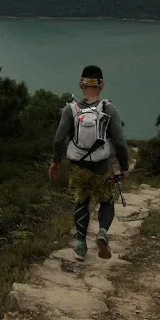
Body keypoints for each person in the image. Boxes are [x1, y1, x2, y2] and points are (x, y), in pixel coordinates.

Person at [48, 65, 129, 261]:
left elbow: (58, 140)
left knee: (81, 202)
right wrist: (124, 166)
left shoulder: (71, 110)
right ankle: (102, 232)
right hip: (102, 168)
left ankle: (81, 245)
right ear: (101, 85)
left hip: (78, 167)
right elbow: (120, 143)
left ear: (80, 84)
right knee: (107, 201)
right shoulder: (109, 109)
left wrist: (56, 162)